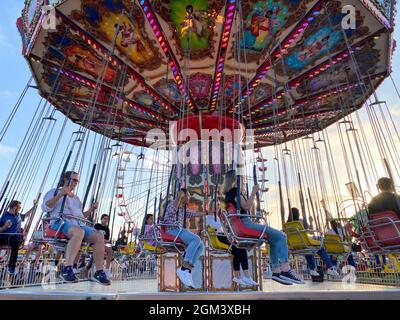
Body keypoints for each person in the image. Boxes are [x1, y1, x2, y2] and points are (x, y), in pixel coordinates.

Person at [223, 170, 304, 285]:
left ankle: (276, 272)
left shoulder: (227, 196)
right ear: (235, 180)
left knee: (273, 240)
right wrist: (253, 192)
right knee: (281, 236)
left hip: (239, 225)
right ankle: (285, 269)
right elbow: (246, 205)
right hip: (245, 224)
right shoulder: (235, 192)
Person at [41, 171, 111, 285]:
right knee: (79, 232)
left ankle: (99, 272)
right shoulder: (54, 192)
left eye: (77, 180)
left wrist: (91, 209)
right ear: (65, 179)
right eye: (74, 180)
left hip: (76, 224)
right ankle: (67, 269)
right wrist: (60, 195)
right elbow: (45, 207)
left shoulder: (77, 199)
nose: (76, 182)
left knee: (99, 235)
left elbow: (81, 216)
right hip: (59, 222)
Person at [206, 200, 258, 287]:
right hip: (218, 239)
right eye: (215, 205)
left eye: (218, 205)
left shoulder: (217, 217)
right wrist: (224, 222)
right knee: (240, 248)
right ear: (211, 206)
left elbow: (223, 230)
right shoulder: (208, 217)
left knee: (237, 251)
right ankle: (247, 276)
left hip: (222, 236)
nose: (217, 207)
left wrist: (229, 235)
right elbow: (214, 227)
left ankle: (237, 276)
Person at [163, 188, 207, 288]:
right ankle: (184, 266)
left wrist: (207, 213)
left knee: (201, 246)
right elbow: (171, 213)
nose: (189, 197)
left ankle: (187, 270)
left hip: (179, 230)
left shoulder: (183, 208)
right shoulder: (172, 204)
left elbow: (194, 214)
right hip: (172, 230)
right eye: (187, 195)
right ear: (182, 195)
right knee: (196, 239)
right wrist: (178, 198)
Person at [287, 207, 339, 277]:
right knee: (320, 248)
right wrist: (311, 222)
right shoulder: (300, 221)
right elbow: (311, 232)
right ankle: (330, 267)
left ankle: (312, 269)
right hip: (304, 243)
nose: (299, 214)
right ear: (297, 214)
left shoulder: (286, 224)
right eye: (298, 213)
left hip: (295, 246)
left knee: (308, 250)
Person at [0, 200, 37, 274]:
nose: (20, 209)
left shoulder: (18, 216)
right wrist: (5, 226)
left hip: (14, 237)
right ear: (15, 207)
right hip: (4, 236)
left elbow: (26, 215)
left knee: (15, 244)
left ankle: (11, 267)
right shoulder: (4, 216)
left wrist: (34, 206)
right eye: (19, 207)